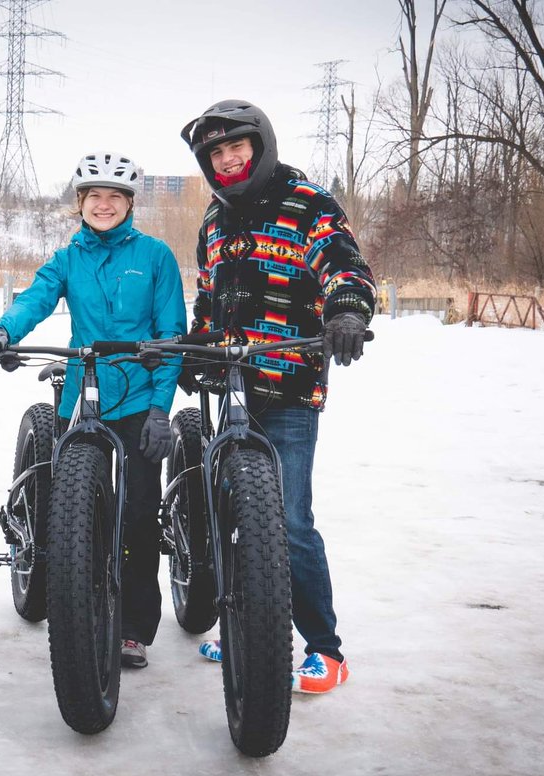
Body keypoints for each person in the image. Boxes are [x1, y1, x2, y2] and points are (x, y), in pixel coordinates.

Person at [179, 100, 375, 694]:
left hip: (288, 388)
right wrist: (195, 346)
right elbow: (208, 298)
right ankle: (249, 625)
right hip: (230, 389)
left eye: (236, 148)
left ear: (260, 146)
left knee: (289, 521)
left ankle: (325, 648)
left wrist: (345, 310)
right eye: (217, 153)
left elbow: (345, 265)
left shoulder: (307, 203)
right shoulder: (214, 222)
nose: (228, 160)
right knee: (238, 517)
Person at [0, 152, 187, 669]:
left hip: (137, 399)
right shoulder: (68, 258)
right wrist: (4, 330)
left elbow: (170, 335)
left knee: (136, 516)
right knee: (71, 514)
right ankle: (74, 604)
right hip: (81, 399)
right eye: (94, 197)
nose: (104, 205)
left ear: (129, 204)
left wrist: (160, 409)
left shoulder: (155, 256)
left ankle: (134, 627)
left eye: (114, 197)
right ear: (81, 205)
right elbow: (36, 298)